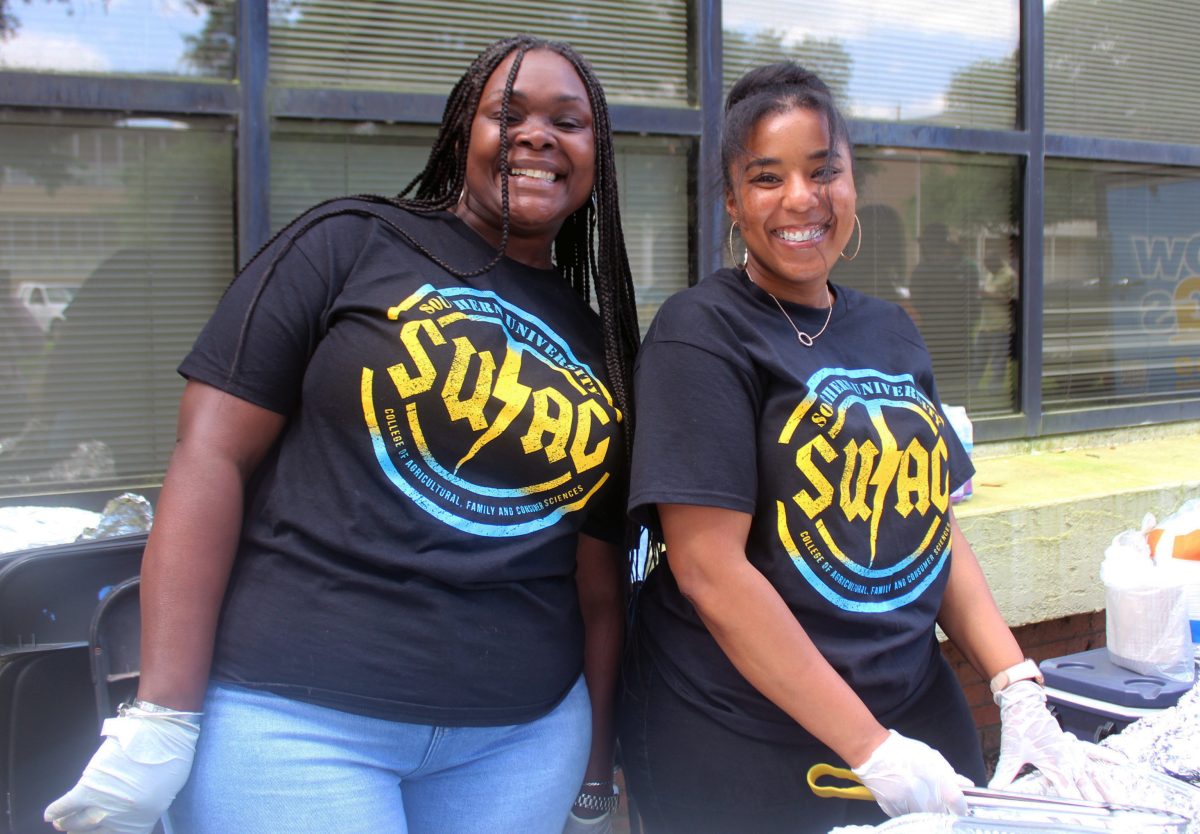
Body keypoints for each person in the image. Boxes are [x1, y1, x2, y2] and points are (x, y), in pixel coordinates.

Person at [46, 34, 640, 834]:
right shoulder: (350, 243)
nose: (537, 135)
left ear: (595, 157)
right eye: (509, 113)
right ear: (463, 128)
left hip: (521, 740)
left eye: (568, 122)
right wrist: (163, 715)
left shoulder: (601, 346)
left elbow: (599, 584)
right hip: (294, 719)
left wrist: (596, 772)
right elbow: (210, 456)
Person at [618, 62, 1111, 833]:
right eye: (766, 177)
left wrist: (1017, 685)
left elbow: (931, 525)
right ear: (733, 203)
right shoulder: (701, 333)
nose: (801, 199)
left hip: (917, 711)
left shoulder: (892, 330)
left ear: (852, 184)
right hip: (746, 744)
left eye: (824, 171)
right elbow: (710, 570)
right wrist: (872, 749)